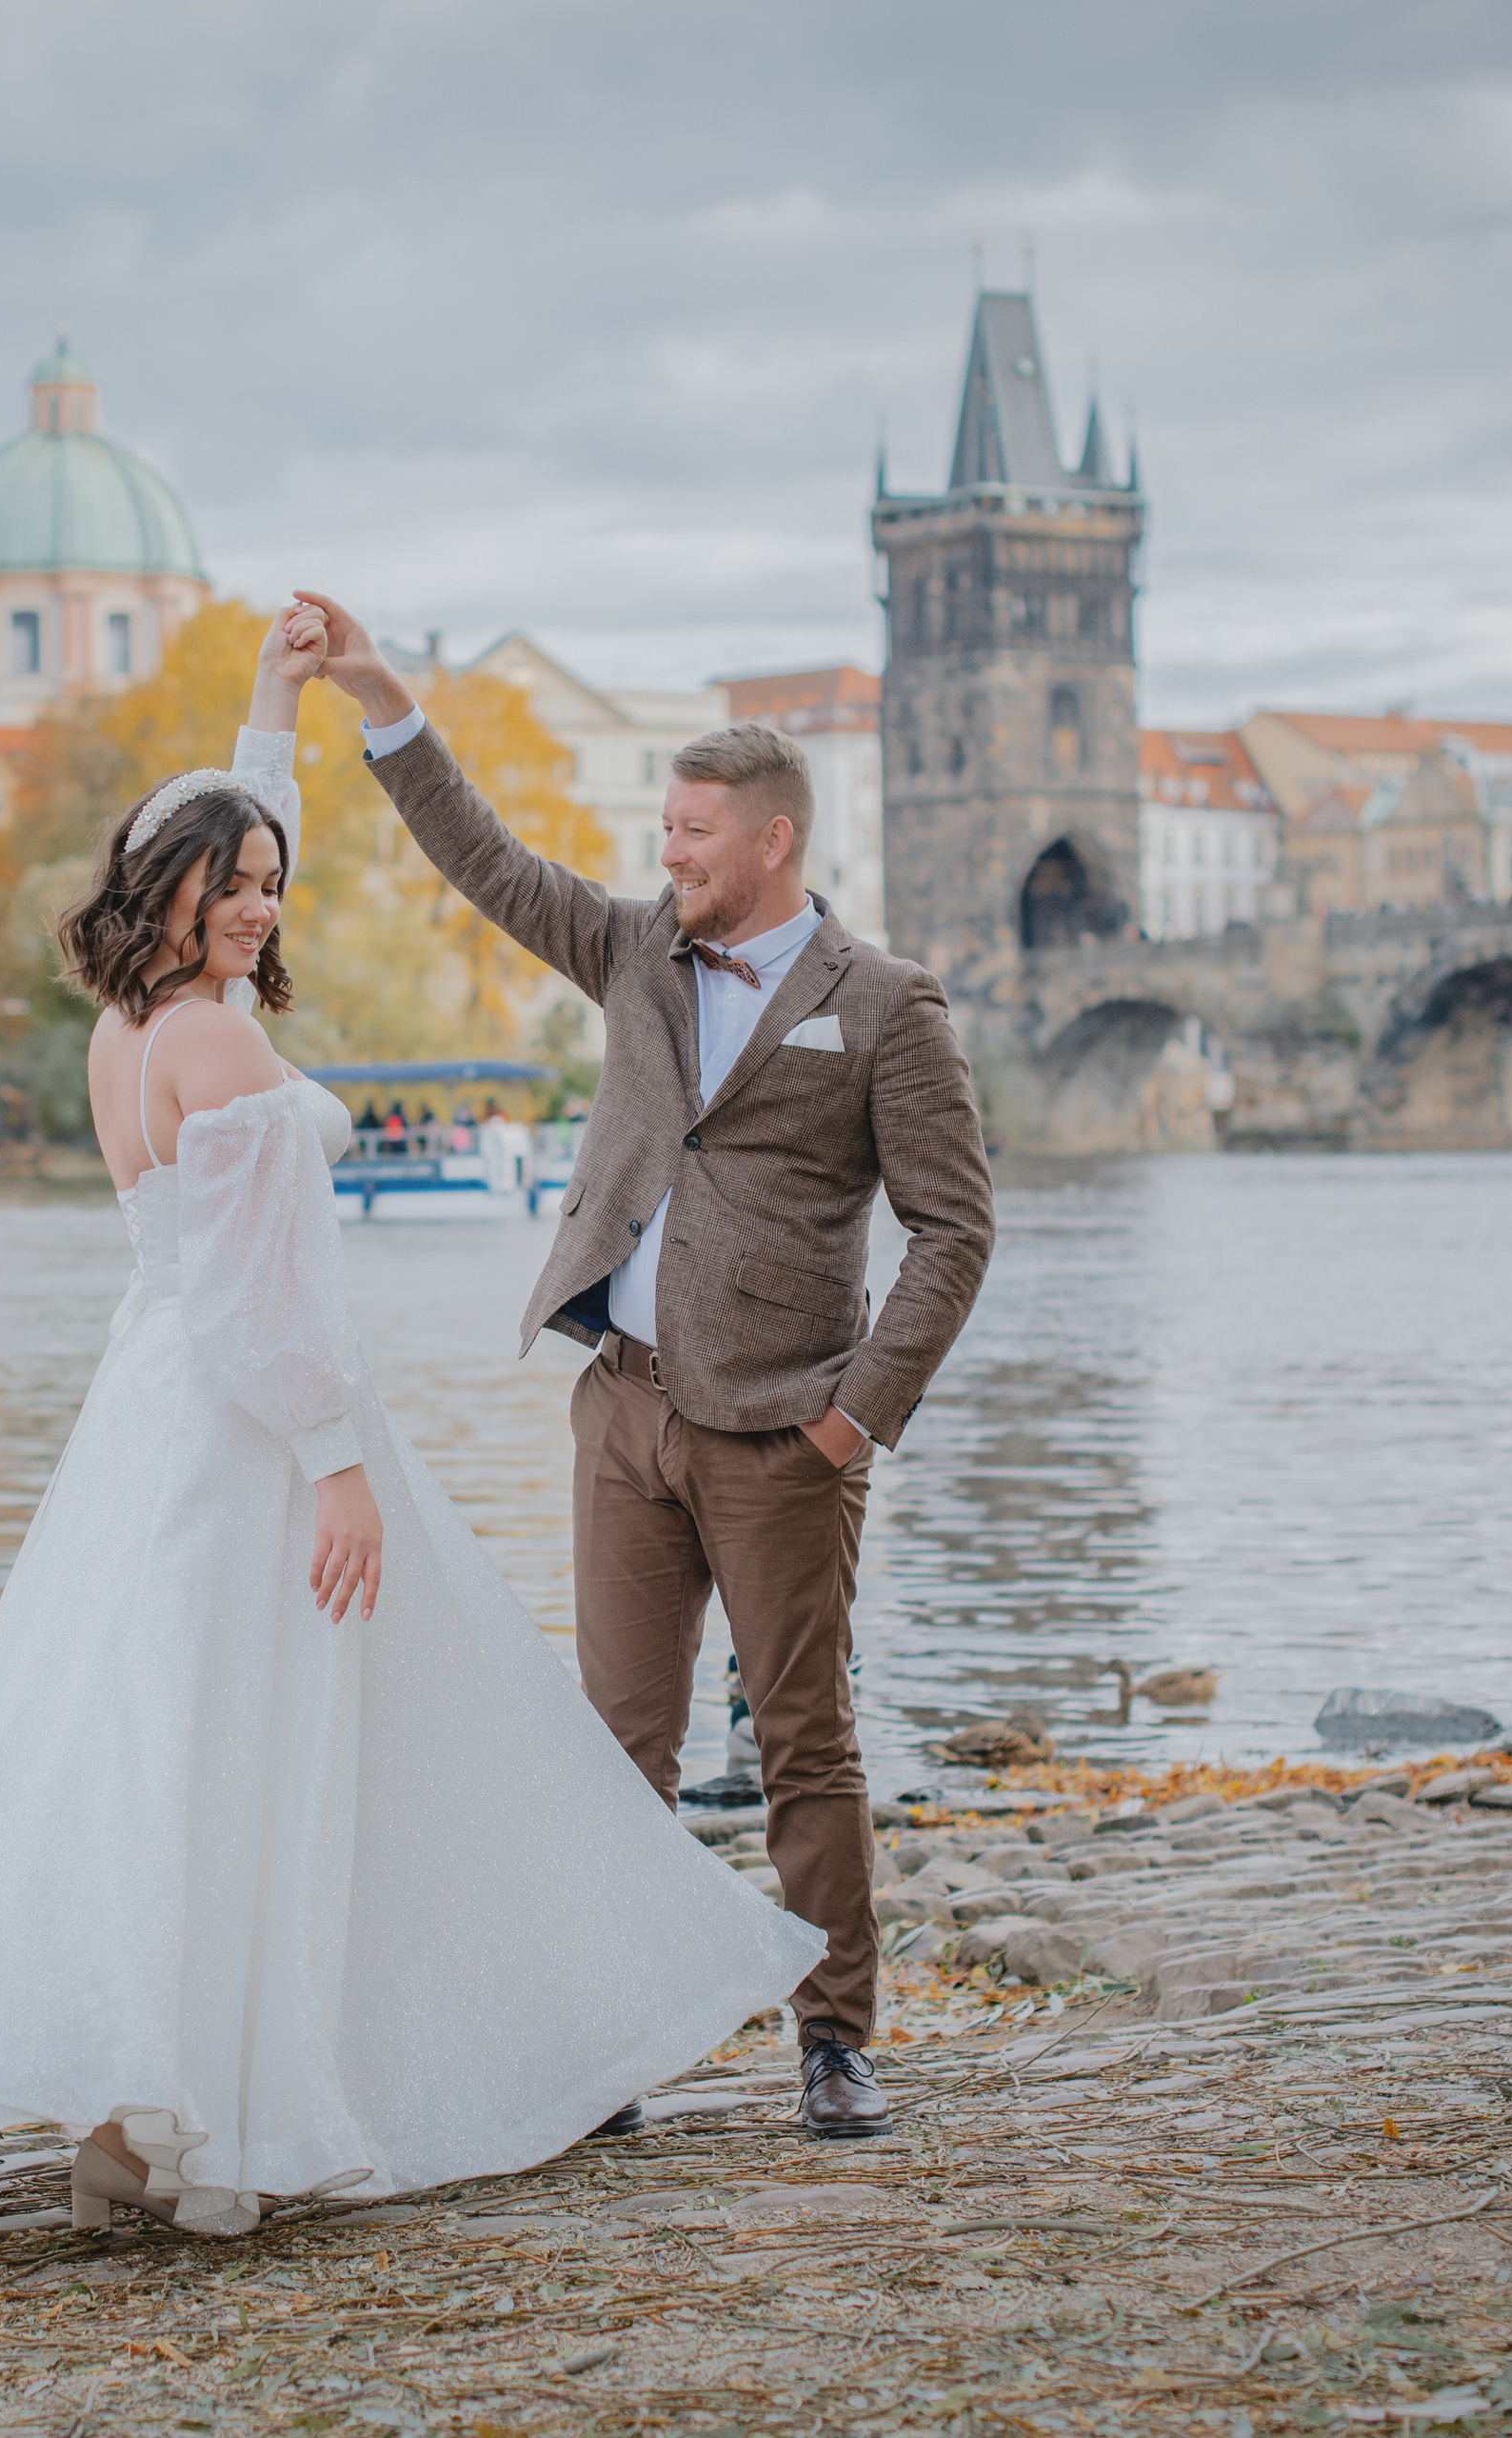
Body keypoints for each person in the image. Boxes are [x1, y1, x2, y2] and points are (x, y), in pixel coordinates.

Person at [0, 606, 822, 2233]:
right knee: (277, 1746)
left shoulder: (134, 1025)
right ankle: (243, 2101)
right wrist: (338, 1470)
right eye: (229, 885)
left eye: (269, 884)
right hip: (255, 1421)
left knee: (171, 1741)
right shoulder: (216, 1041)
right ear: (163, 892)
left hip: (156, 1406)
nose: (258, 904)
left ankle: (148, 2103)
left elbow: (233, 848)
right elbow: (270, 1302)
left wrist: (274, 704)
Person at [300, 590, 995, 2138]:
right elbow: (483, 858)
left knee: (806, 1744)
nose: (667, 853)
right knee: (617, 1749)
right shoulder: (628, 951)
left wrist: (851, 1421)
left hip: (781, 1438)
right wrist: (381, 700)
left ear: (772, 843)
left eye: (692, 832)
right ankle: (610, 2046)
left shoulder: (884, 1009)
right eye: (665, 829)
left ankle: (833, 2039)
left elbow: (953, 1231)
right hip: (620, 1412)